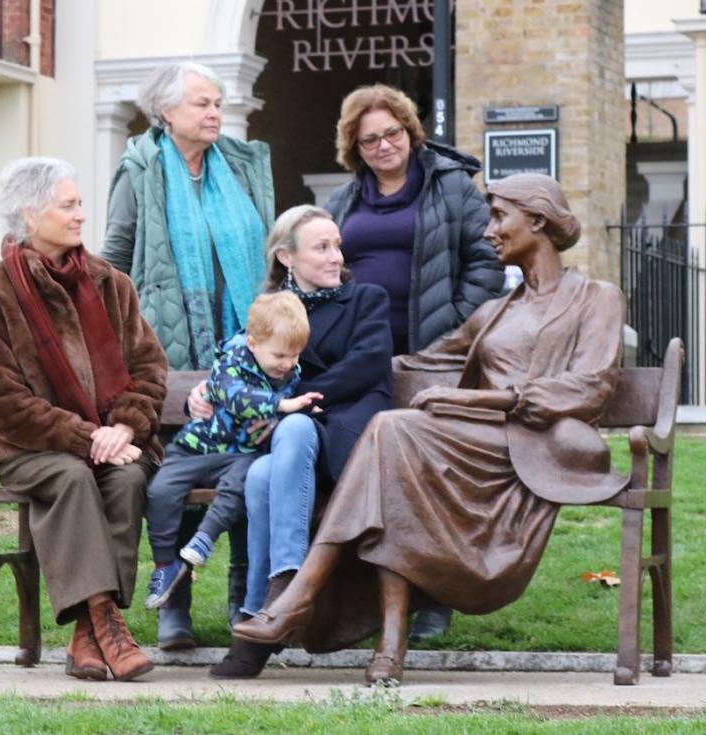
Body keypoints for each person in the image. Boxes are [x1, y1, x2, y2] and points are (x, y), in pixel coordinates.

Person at [232, 174, 627, 686]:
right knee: (393, 454)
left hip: (536, 444)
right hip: (472, 444)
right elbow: (407, 363)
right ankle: (388, 645)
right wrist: (251, 379)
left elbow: (592, 385)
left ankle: (297, 595)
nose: (488, 232)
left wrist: (489, 398)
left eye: (498, 217)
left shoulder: (596, 297)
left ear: (537, 219)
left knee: (393, 433)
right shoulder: (493, 312)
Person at [0, 157, 169, 682]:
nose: (81, 215)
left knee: (124, 477)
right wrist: (86, 436)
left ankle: (88, 636)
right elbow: (2, 405)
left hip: (117, 440)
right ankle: (106, 619)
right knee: (74, 475)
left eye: (79, 204)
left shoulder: (109, 283)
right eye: (69, 205)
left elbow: (148, 366)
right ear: (32, 216)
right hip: (31, 450)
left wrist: (124, 425)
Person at [101, 60, 275, 647]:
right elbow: (116, 258)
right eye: (201, 103)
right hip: (170, 349)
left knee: (251, 463)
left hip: (243, 351)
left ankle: (241, 598)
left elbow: (271, 252)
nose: (214, 113)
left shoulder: (243, 166)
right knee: (179, 470)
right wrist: (114, 344)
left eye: (218, 103)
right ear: (166, 112)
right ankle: (173, 599)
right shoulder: (141, 168)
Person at [326, 84, 505, 640]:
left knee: (430, 476)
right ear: (355, 146)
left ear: (410, 131)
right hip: (363, 355)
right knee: (360, 470)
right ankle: (360, 597)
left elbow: (487, 260)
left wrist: (450, 325)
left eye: (393, 133)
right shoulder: (343, 200)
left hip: (432, 353)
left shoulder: (452, 186)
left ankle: (434, 595)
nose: (384, 146)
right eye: (370, 139)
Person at [198, 205, 393, 678]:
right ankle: (266, 609)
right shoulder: (269, 310)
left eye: (337, 245)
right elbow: (238, 368)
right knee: (264, 471)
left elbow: (368, 364)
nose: (335, 257)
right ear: (287, 257)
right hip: (290, 445)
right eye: (321, 247)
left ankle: (278, 595)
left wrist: (294, 398)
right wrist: (207, 390)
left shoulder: (366, 298)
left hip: (349, 434)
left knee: (294, 429)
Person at [144, 291, 322, 609]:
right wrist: (281, 405)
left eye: (295, 355)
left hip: (241, 454)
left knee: (241, 483)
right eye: (280, 355)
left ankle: (205, 538)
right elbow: (235, 397)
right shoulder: (233, 359)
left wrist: (293, 412)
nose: (289, 363)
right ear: (253, 344)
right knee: (160, 491)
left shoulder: (288, 371)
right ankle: (165, 565)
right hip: (197, 447)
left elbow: (284, 412)